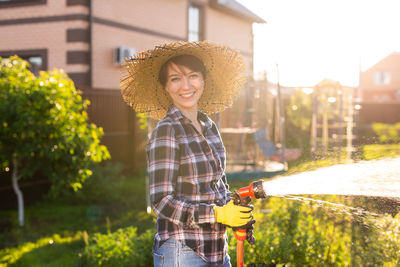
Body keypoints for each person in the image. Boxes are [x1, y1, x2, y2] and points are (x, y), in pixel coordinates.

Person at [121, 41, 254, 267]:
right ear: (165, 87)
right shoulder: (167, 131)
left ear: (203, 80)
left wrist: (235, 212)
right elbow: (161, 202)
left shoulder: (209, 126)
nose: (186, 85)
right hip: (182, 252)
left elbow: (215, 185)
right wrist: (217, 215)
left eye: (193, 75)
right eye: (175, 79)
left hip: (217, 250)